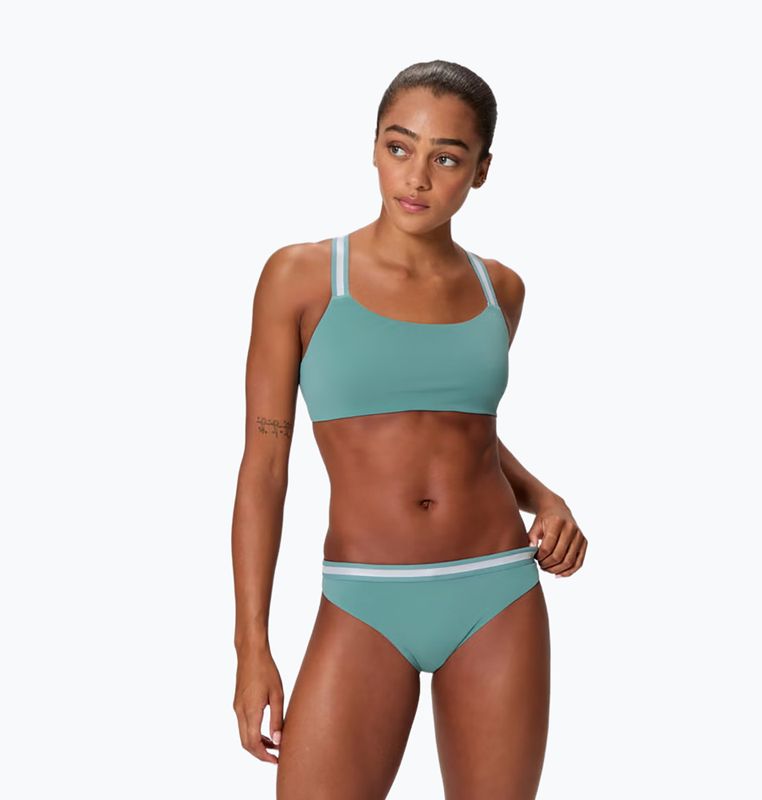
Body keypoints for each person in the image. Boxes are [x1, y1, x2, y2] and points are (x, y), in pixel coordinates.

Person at [232, 59, 588, 799]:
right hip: (364, 594)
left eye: (447, 158)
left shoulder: (500, 288)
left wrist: (545, 498)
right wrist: (251, 646)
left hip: (496, 591)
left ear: (481, 171)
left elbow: (462, 435)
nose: (417, 177)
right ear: (373, 147)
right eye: (400, 147)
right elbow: (264, 468)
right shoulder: (301, 277)